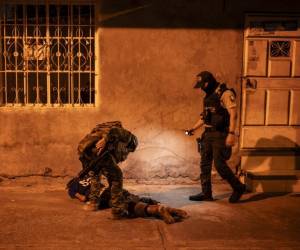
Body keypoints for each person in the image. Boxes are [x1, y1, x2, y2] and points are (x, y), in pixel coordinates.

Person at [186, 71, 246, 203]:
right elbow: (205, 117)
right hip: (207, 134)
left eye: (203, 84)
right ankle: (206, 193)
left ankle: (238, 187)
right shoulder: (208, 97)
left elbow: (233, 114)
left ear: (209, 82)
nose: (202, 87)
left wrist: (231, 134)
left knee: (219, 164)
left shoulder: (225, 93)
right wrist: (193, 128)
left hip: (220, 134)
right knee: (205, 164)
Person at [67, 172, 188, 224]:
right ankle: (170, 209)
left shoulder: (72, 186)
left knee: (128, 207)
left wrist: (77, 194)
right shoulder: (89, 175)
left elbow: (82, 198)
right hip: (110, 189)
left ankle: (156, 209)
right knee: (133, 198)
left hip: (102, 196)